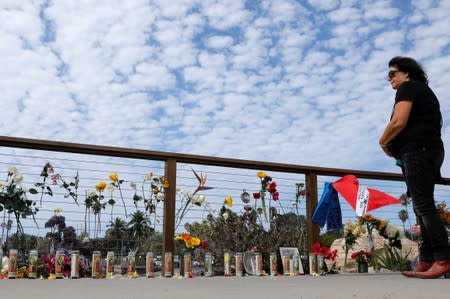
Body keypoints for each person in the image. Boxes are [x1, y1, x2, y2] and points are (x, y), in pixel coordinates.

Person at [379, 56, 450, 279]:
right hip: (427, 151)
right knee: (421, 205)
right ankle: (428, 259)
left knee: (423, 204)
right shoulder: (422, 91)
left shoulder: (409, 87)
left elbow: (398, 121)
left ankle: (443, 258)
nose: (389, 78)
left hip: (418, 151)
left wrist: (383, 141)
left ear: (407, 72)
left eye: (393, 73)